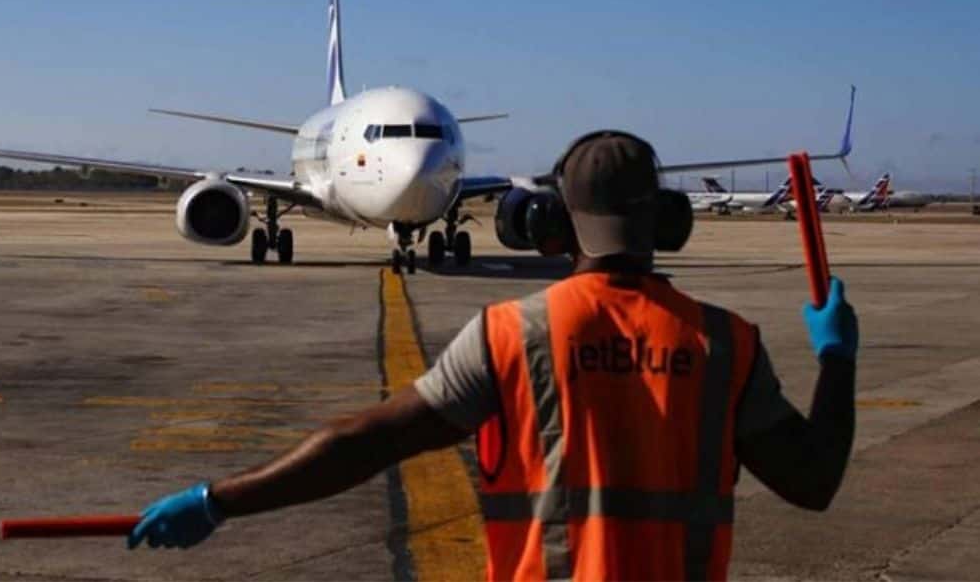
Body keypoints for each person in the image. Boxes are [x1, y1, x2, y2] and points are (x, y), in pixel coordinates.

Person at [126, 131, 858, 581]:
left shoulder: (513, 333)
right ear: (668, 224)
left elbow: (364, 443)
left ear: (552, 224)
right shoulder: (726, 342)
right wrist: (837, 359)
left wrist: (219, 500)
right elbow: (813, 481)